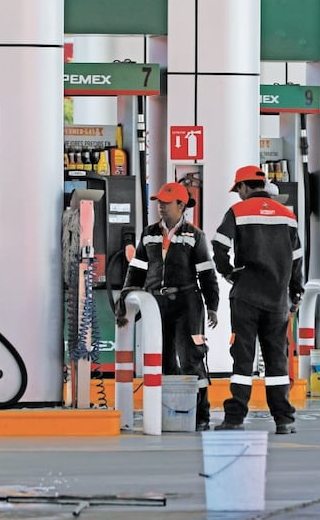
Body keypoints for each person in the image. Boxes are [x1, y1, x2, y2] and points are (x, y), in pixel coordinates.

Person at [118, 182, 220, 430]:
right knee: (163, 362)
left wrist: (213, 305)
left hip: (188, 304)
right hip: (156, 304)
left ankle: (200, 416)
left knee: (191, 360)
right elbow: (137, 269)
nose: (160, 207)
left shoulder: (195, 236)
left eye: (166, 203)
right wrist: (126, 297)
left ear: (181, 205)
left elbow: (207, 274)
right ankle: (168, 413)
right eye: (159, 202)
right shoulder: (150, 233)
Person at [211, 165, 304, 434]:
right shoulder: (288, 216)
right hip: (277, 301)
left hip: (247, 297)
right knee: (276, 361)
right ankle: (283, 420)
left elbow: (219, 245)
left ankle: (235, 418)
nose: (238, 195)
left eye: (238, 190)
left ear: (243, 186)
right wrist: (295, 291)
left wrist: (228, 272)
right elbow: (297, 259)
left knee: (242, 360)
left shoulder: (238, 212)